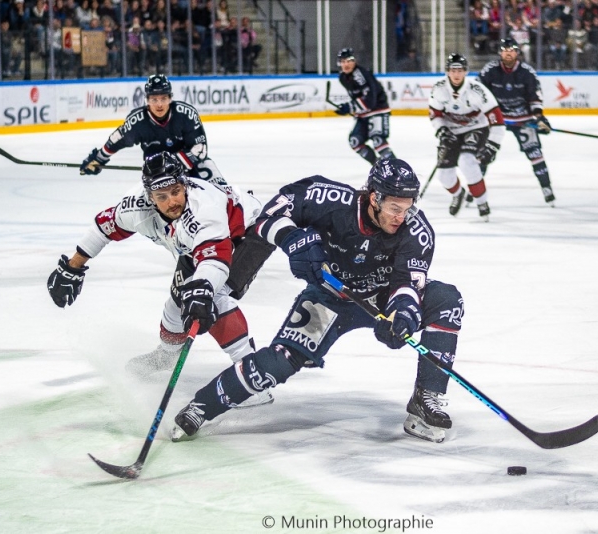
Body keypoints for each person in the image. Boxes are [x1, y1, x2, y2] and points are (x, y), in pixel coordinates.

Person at [170, 158, 464, 444]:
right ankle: (202, 407)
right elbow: (269, 216)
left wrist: (403, 316)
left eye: (407, 208)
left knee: (446, 300)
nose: (401, 217)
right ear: (375, 198)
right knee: (278, 363)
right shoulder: (330, 199)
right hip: (329, 297)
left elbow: (407, 283)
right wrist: (292, 239)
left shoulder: (416, 230)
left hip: (382, 299)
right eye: (394, 208)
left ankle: (425, 398)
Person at [47, 152, 274, 406]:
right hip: (195, 245)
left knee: (213, 298)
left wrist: (203, 288)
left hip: (248, 231)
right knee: (177, 304)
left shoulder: (204, 209)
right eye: (161, 196)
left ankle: (253, 378)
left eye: (176, 191)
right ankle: (167, 355)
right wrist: (73, 267)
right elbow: (104, 227)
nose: (172, 202)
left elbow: (215, 259)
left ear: (184, 185)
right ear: (149, 196)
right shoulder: (136, 208)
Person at [79, 74, 225, 186]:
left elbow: (200, 149)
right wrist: (99, 159)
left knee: (220, 190)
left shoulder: (186, 114)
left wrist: (173, 163)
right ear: (147, 100)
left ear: (170, 99)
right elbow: (117, 140)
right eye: (154, 99)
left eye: (163, 99)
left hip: (190, 168)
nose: (159, 104)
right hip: (157, 173)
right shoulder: (137, 122)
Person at [479, 37, 556, 206]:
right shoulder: (489, 70)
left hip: (523, 119)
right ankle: (474, 190)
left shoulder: (527, 72)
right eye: (505, 50)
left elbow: (535, 97)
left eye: (512, 50)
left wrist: (539, 118)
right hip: (497, 119)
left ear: (517, 53)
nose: (508, 53)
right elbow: (479, 94)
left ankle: (547, 188)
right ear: (500, 53)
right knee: (484, 154)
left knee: (535, 154)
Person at [429, 53, 504, 221]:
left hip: (475, 128)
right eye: (453, 70)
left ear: (466, 72)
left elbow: (497, 121)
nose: (456, 74)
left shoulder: (477, 90)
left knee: (467, 161)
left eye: (460, 70)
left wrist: (493, 146)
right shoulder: (439, 89)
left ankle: (482, 202)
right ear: (447, 71)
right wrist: (442, 130)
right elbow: (435, 114)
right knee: (444, 176)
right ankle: (458, 194)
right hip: (451, 132)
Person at [334, 47, 396, 165]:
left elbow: (370, 101)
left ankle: (397, 170)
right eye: (343, 62)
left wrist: (350, 107)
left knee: (378, 140)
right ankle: (378, 167)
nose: (346, 64)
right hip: (363, 114)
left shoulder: (360, 74)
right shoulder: (343, 77)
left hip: (377, 110)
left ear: (354, 61)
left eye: (348, 61)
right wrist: (349, 107)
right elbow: (358, 97)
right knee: (355, 141)